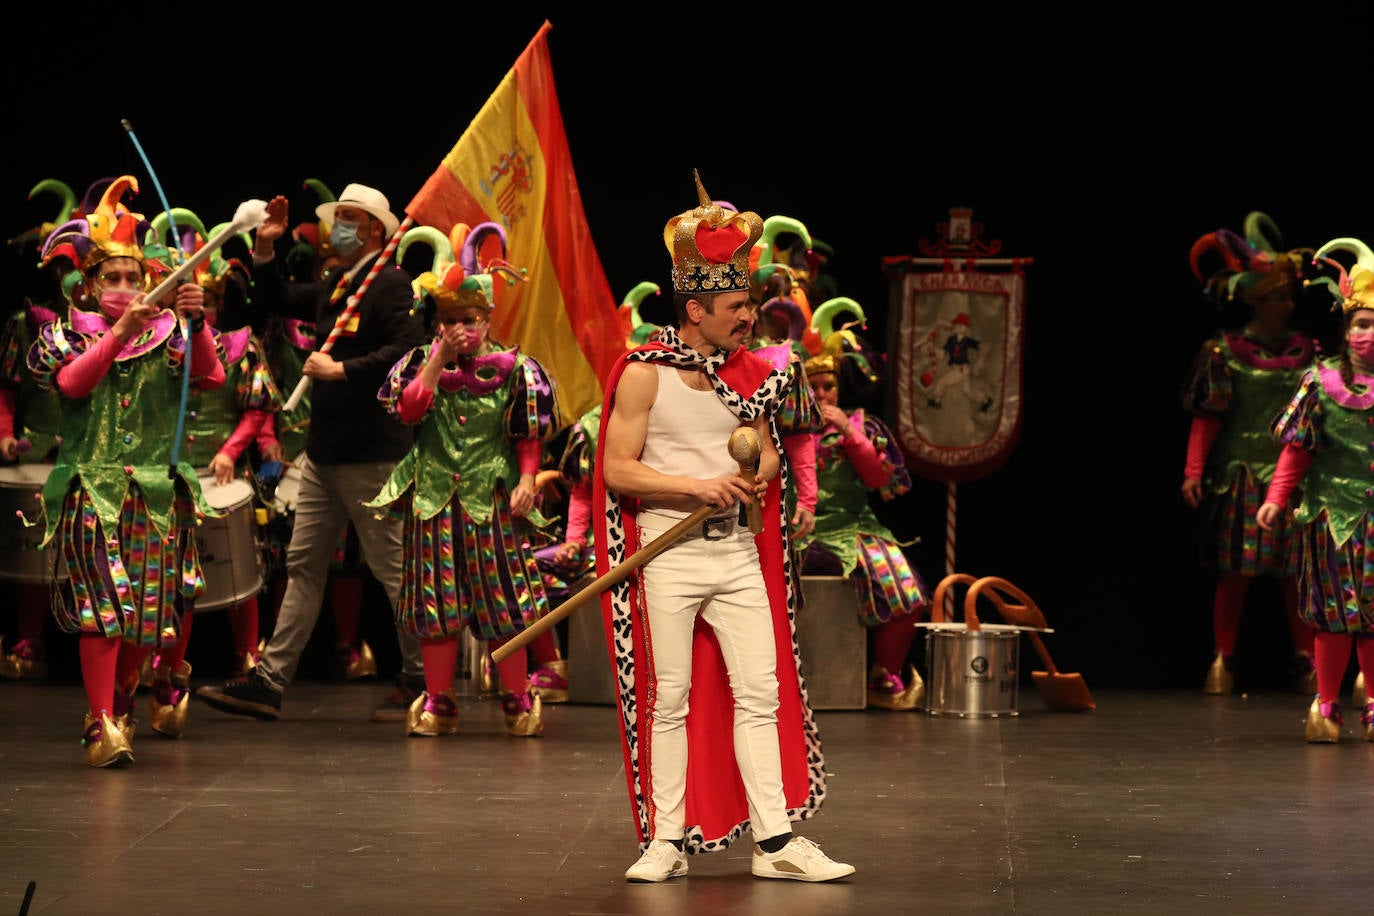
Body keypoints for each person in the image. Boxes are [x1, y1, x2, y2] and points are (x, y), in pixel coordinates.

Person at [595, 173, 851, 883]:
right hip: (665, 552)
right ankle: (665, 842)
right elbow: (619, 470)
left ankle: (776, 845)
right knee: (668, 698)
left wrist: (758, 472)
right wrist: (694, 485)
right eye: (736, 307)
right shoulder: (645, 373)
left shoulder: (753, 375)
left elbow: (766, 450)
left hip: (735, 552)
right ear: (697, 306)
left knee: (761, 694)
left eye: (748, 305)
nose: (748, 317)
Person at [196, 182, 426, 722]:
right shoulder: (336, 281)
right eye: (335, 217)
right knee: (302, 566)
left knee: (392, 569)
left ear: (373, 229)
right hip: (325, 455)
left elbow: (407, 350)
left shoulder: (390, 284)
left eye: (347, 218)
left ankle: (422, 679)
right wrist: (267, 248)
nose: (336, 227)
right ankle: (270, 682)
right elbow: (275, 297)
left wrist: (342, 369)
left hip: (372, 455)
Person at [27, 175, 226, 766]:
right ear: (88, 286)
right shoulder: (65, 335)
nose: (123, 287)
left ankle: (121, 693)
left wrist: (197, 322)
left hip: (159, 491)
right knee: (103, 608)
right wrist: (119, 331)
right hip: (95, 489)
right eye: (110, 279)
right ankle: (101, 720)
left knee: (154, 614)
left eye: (132, 279)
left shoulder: (168, 331)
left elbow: (211, 377)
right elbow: (71, 382)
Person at [364, 220, 559, 737]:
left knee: (505, 597)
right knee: (435, 600)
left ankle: (518, 697)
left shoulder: (517, 370)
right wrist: (436, 362)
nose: (463, 328)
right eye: (452, 319)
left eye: (471, 318)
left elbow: (528, 435)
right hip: (432, 499)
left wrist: (528, 479)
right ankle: (440, 698)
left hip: (491, 498)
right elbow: (408, 413)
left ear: (487, 317)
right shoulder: (417, 363)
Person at [139, 208, 277, 738]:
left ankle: (236, 658)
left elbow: (257, 404)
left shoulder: (239, 343)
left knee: (212, 573)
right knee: (156, 575)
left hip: (215, 472)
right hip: (157, 471)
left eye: (208, 299)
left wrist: (231, 449)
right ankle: (143, 674)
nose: (203, 307)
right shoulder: (145, 340)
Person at [1182, 216, 1318, 695]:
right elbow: (1208, 416)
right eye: (1279, 296)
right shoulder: (1225, 351)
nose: (1288, 303)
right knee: (1236, 570)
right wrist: (1193, 471)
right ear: (1258, 301)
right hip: (1240, 473)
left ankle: (1306, 660)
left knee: (1294, 573)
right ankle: (1223, 658)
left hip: (1293, 475)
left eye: (1288, 296)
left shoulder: (1309, 352)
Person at [1258, 239, 1374, 743]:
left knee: (1372, 619)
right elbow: (1296, 453)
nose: (1370, 334)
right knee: (1333, 615)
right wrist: (1275, 499)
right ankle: (1326, 705)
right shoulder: (1320, 383)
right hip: (1331, 517)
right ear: (1347, 330)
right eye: (1363, 323)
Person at [798, 335, 931, 709]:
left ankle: (883, 675)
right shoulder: (784, 428)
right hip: (797, 529)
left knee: (906, 589)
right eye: (813, 387)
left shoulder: (861, 425)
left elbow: (876, 480)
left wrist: (849, 434)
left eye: (828, 387)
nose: (822, 395)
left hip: (854, 527)